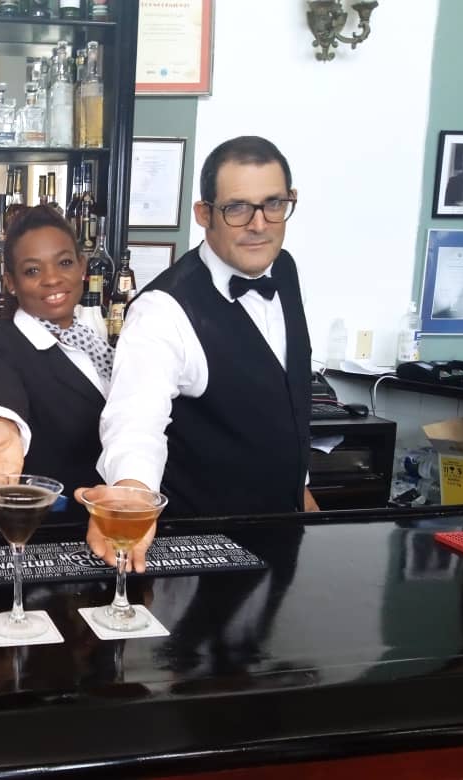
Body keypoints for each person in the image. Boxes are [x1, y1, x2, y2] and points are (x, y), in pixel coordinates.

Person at [90, 135, 317, 569]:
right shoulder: (162, 309)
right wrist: (133, 493)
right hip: (202, 555)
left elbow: (287, 399)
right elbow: (135, 422)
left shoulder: (285, 269)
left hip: (283, 539)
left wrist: (300, 489)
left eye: (273, 204)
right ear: (204, 214)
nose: (259, 224)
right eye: (237, 208)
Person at [0, 206, 112, 523]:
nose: (52, 278)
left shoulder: (98, 339)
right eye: (32, 270)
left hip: (111, 526)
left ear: (82, 267)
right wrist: (3, 425)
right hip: (34, 533)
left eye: (65, 262)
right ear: (11, 282)